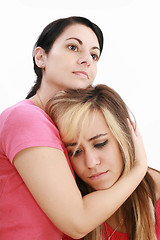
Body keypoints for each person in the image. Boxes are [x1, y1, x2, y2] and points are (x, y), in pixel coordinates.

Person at [0, 16, 147, 240]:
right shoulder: (25, 117)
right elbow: (77, 222)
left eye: (94, 55)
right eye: (73, 47)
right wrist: (138, 169)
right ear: (41, 57)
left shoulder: (60, 127)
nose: (87, 59)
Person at [46, 84, 160, 240]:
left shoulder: (156, 194)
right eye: (75, 152)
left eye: (100, 144)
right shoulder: (70, 211)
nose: (91, 162)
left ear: (125, 137)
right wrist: (138, 169)